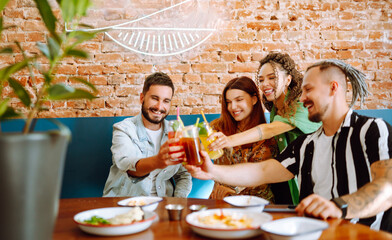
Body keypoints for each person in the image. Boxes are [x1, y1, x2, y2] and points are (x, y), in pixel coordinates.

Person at [186, 59, 392, 231]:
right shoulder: (304, 145)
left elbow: (387, 188)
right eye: (301, 91)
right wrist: (212, 171)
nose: (301, 98)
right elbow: (263, 171)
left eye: (308, 90)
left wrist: (339, 207)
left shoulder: (373, 130)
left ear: (333, 88)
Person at [209, 52, 321, 204]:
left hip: (315, 175)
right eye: (261, 80)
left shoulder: (301, 105)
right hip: (289, 178)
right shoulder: (276, 108)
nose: (265, 84)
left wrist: (227, 141)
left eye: (272, 77)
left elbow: (268, 131)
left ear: (288, 79)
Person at [103, 72, 192, 197]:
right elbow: (129, 167)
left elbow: (183, 175)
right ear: (142, 98)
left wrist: (177, 202)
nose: (159, 106)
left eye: (166, 101)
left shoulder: (176, 131)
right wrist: (158, 161)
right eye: (155, 98)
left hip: (163, 205)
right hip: (125, 205)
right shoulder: (124, 129)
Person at [209, 76, 278, 201]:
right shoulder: (216, 127)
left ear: (254, 99)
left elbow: (259, 179)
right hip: (218, 199)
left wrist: (231, 191)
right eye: (228, 102)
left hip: (255, 203)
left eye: (239, 100)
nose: (233, 107)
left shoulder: (266, 137)